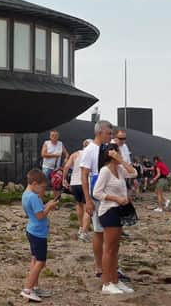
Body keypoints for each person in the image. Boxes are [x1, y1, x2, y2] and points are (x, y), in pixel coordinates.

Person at [81, 120, 130, 282]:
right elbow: (84, 175)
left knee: (112, 233)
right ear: (100, 132)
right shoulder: (89, 150)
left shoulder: (109, 148)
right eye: (109, 133)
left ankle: (111, 267)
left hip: (111, 192)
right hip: (99, 193)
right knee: (99, 231)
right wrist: (87, 199)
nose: (112, 137)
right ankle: (100, 267)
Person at [92, 143, 137, 295]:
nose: (121, 156)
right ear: (111, 155)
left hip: (119, 210)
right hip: (109, 210)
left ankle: (115, 279)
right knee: (109, 248)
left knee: (115, 249)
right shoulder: (105, 171)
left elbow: (134, 173)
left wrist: (121, 161)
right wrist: (115, 198)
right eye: (118, 154)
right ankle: (106, 282)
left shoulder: (120, 169)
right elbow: (97, 193)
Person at [19, 168, 58, 302]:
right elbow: (40, 215)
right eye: (41, 187)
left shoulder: (26, 194)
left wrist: (46, 205)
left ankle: (34, 286)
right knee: (40, 262)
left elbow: (37, 211)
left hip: (32, 230)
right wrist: (49, 207)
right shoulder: (33, 197)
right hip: (38, 233)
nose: (42, 190)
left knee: (35, 259)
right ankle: (27, 289)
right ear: (35, 183)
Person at [63, 139, 92, 242]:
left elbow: (66, 166)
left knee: (79, 204)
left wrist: (64, 179)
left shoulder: (75, 154)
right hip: (86, 183)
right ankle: (84, 232)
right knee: (87, 206)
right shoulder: (92, 155)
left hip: (74, 183)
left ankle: (81, 227)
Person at [41, 130, 66, 196]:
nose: (54, 137)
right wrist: (55, 155)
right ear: (50, 136)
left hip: (56, 169)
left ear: (58, 136)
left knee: (56, 185)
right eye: (52, 135)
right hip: (47, 167)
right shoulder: (46, 143)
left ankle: (55, 202)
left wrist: (66, 159)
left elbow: (66, 153)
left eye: (56, 135)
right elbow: (43, 154)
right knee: (43, 185)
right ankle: (40, 200)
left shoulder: (60, 144)